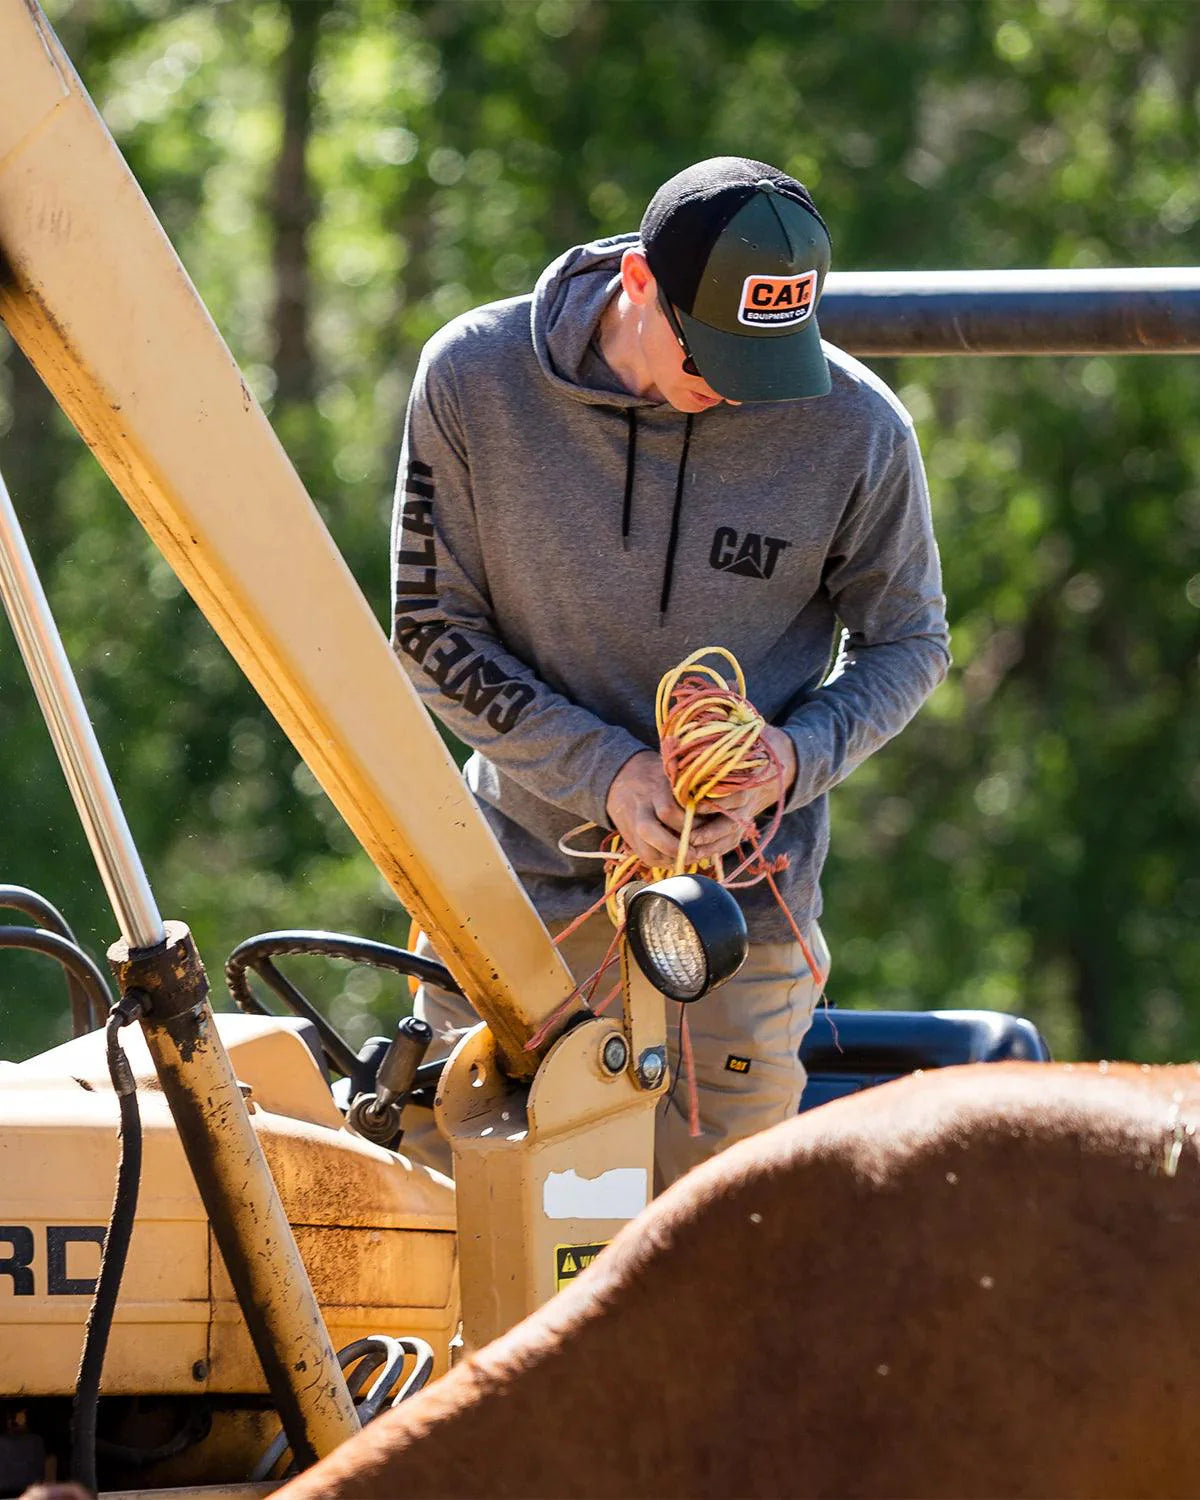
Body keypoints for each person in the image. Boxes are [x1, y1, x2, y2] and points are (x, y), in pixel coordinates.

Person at [391, 156, 950, 1188]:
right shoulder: (474, 380)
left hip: (738, 919)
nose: (742, 389)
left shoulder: (858, 429)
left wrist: (791, 756)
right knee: (451, 1241)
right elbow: (430, 628)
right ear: (640, 284)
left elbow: (912, 643)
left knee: (716, 1267)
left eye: (772, 359)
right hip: (510, 902)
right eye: (718, 357)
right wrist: (606, 773)